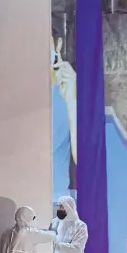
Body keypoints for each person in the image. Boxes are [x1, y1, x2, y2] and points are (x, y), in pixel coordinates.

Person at [51, 16, 78, 205]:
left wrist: (72, 100)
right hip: (14, 201)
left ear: (58, 45)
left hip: (55, 204)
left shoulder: (71, 89)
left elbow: (84, 161)